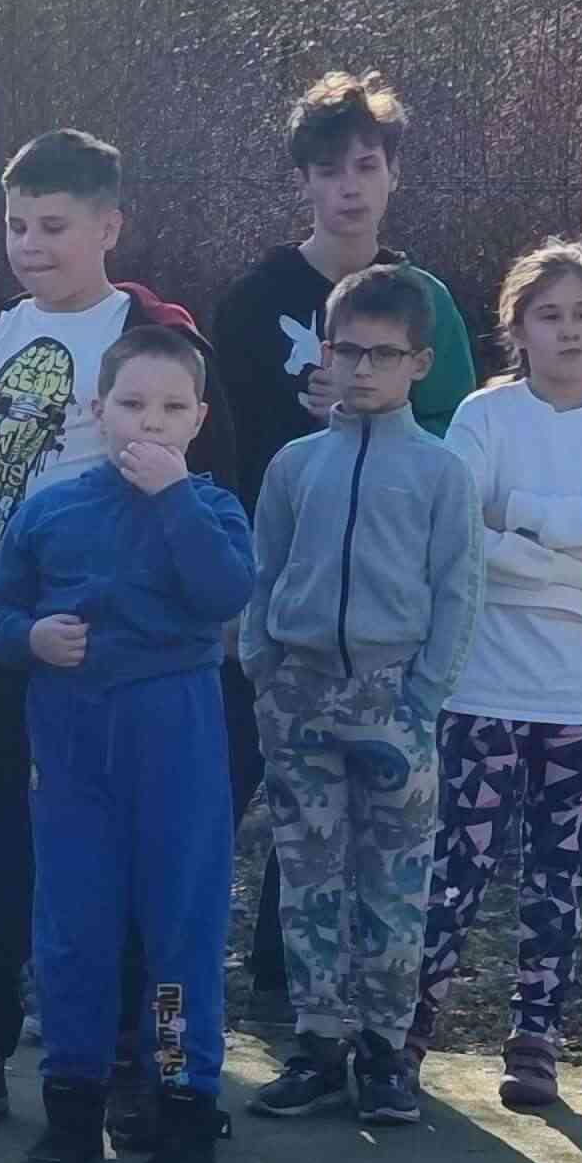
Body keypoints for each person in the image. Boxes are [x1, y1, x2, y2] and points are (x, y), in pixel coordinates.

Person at [0, 129, 215, 1138]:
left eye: (54, 226)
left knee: (120, 872)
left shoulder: (151, 341)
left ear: (110, 226)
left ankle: (141, 1066)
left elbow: (203, 508)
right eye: (16, 224)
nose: (30, 244)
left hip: (98, 661)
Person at [0, 325, 258, 1163]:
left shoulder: (212, 509)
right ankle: (71, 1111)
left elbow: (224, 592)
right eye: (132, 403)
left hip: (177, 742)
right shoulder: (51, 509)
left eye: (171, 407)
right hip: (72, 746)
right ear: (97, 410)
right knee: (73, 931)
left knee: (178, 931)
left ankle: (180, 1110)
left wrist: (174, 500)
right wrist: (31, 638)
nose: (150, 422)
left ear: (198, 419)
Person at [210, 72, 475, 1006]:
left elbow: (456, 434)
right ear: (305, 182)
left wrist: (376, 416)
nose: (349, 187)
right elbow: (215, 440)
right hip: (271, 598)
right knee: (223, 787)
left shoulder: (421, 299)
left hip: (377, 623)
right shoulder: (257, 298)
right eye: (330, 170)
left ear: (394, 173)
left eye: (367, 165)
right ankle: (173, 983)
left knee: (344, 824)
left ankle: (299, 996)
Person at [421, 239, 582, 1115]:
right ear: (518, 328)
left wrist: (526, 516)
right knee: (456, 869)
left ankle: (535, 1040)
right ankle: (410, 1029)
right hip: (484, 687)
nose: (567, 331)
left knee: (556, 877)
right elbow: (463, 536)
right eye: (548, 315)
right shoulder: (483, 419)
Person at [241, 265, 486, 1130]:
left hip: (394, 702)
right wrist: (263, 662)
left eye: (384, 354)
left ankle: (385, 1050)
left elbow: (458, 588)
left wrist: (424, 695)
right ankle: (317, 1041)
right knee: (307, 874)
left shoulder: (441, 472)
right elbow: (265, 568)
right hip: (299, 695)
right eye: (348, 351)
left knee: (394, 881)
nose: (363, 369)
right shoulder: (296, 463)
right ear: (326, 353)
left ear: (419, 363)